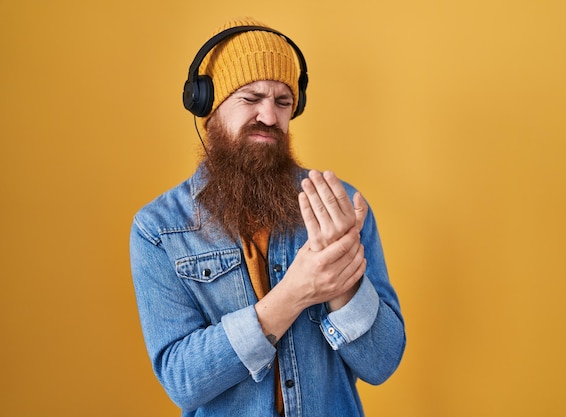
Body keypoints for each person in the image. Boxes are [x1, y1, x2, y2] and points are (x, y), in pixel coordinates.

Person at [130, 17, 405, 417]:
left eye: (282, 102)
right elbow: (183, 380)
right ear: (208, 106)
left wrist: (341, 286)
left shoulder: (339, 206)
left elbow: (382, 363)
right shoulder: (158, 230)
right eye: (250, 98)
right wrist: (296, 292)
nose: (270, 117)